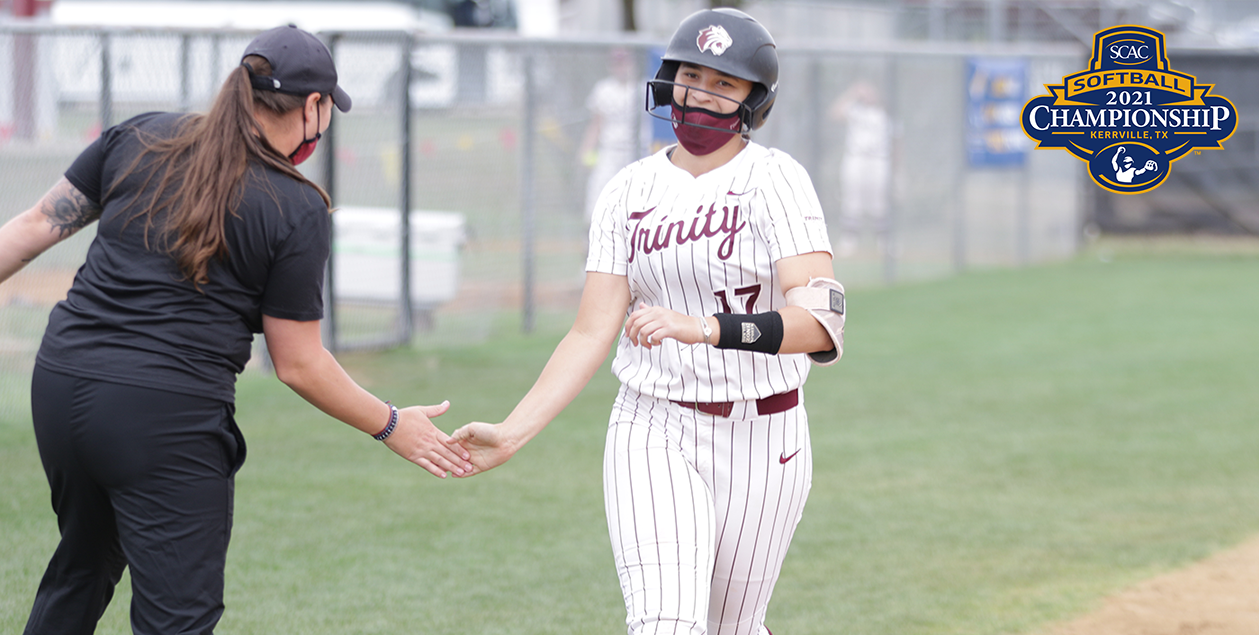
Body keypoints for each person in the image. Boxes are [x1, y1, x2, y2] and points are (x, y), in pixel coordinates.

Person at [0, 24, 472, 635]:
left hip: (62, 385)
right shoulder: (295, 207)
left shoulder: (141, 135)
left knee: (80, 571)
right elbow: (299, 363)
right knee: (178, 621)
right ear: (312, 107)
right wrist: (390, 424)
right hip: (162, 418)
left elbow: (38, 223)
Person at [451, 9, 844, 635]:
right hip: (654, 422)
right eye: (690, 75)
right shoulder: (628, 190)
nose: (699, 95)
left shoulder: (777, 181)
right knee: (664, 623)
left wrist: (708, 327)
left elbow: (821, 323)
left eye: (723, 83)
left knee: (733, 627)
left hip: (766, 435)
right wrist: (514, 431)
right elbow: (589, 331)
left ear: (753, 100)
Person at [829, 79, 892, 255]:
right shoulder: (855, 110)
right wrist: (853, 92)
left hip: (879, 159)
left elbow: (897, 140)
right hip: (856, 158)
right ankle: (850, 241)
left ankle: (883, 241)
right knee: (852, 199)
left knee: (879, 200)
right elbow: (835, 113)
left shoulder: (884, 113)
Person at [578, 47, 642, 222]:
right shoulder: (604, 89)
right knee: (597, 194)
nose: (621, 67)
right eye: (617, 63)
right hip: (610, 151)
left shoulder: (641, 89)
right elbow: (596, 124)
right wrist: (586, 150)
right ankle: (590, 239)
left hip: (636, 153)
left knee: (637, 199)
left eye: (624, 63)